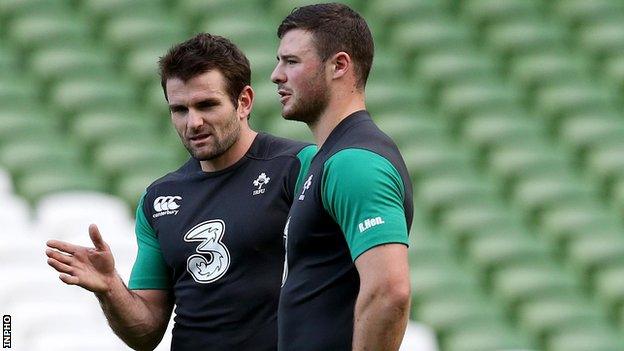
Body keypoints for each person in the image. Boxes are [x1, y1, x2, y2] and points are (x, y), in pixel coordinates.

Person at [45, 33, 316, 351]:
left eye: (206, 105)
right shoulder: (159, 199)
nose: (193, 122)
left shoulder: (298, 166)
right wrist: (109, 287)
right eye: (180, 110)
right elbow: (145, 333)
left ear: (244, 102)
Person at [271, 3, 414, 350]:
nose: (276, 74)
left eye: (291, 61)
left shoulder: (354, 163)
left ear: (339, 65)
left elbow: (390, 290)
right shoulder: (330, 158)